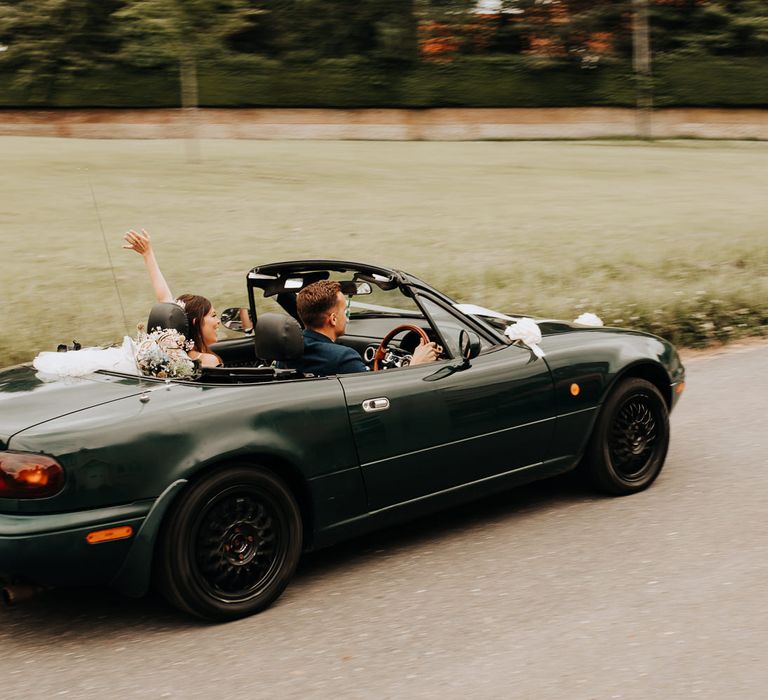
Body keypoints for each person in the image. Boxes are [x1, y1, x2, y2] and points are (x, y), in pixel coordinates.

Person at [294, 280, 440, 376]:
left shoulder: (288, 352)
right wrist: (414, 365)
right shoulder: (343, 359)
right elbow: (380, 394)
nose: (347, 318)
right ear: (333, 319)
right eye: (345, 311)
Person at [123, 229, 221, 368]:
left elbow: (167, 304)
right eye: (213, 315)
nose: (218, 321)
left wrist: (148, 254)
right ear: (196, 322)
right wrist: (147, 254)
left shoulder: (168, 357)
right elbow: (169, 305)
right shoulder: (207, 361)